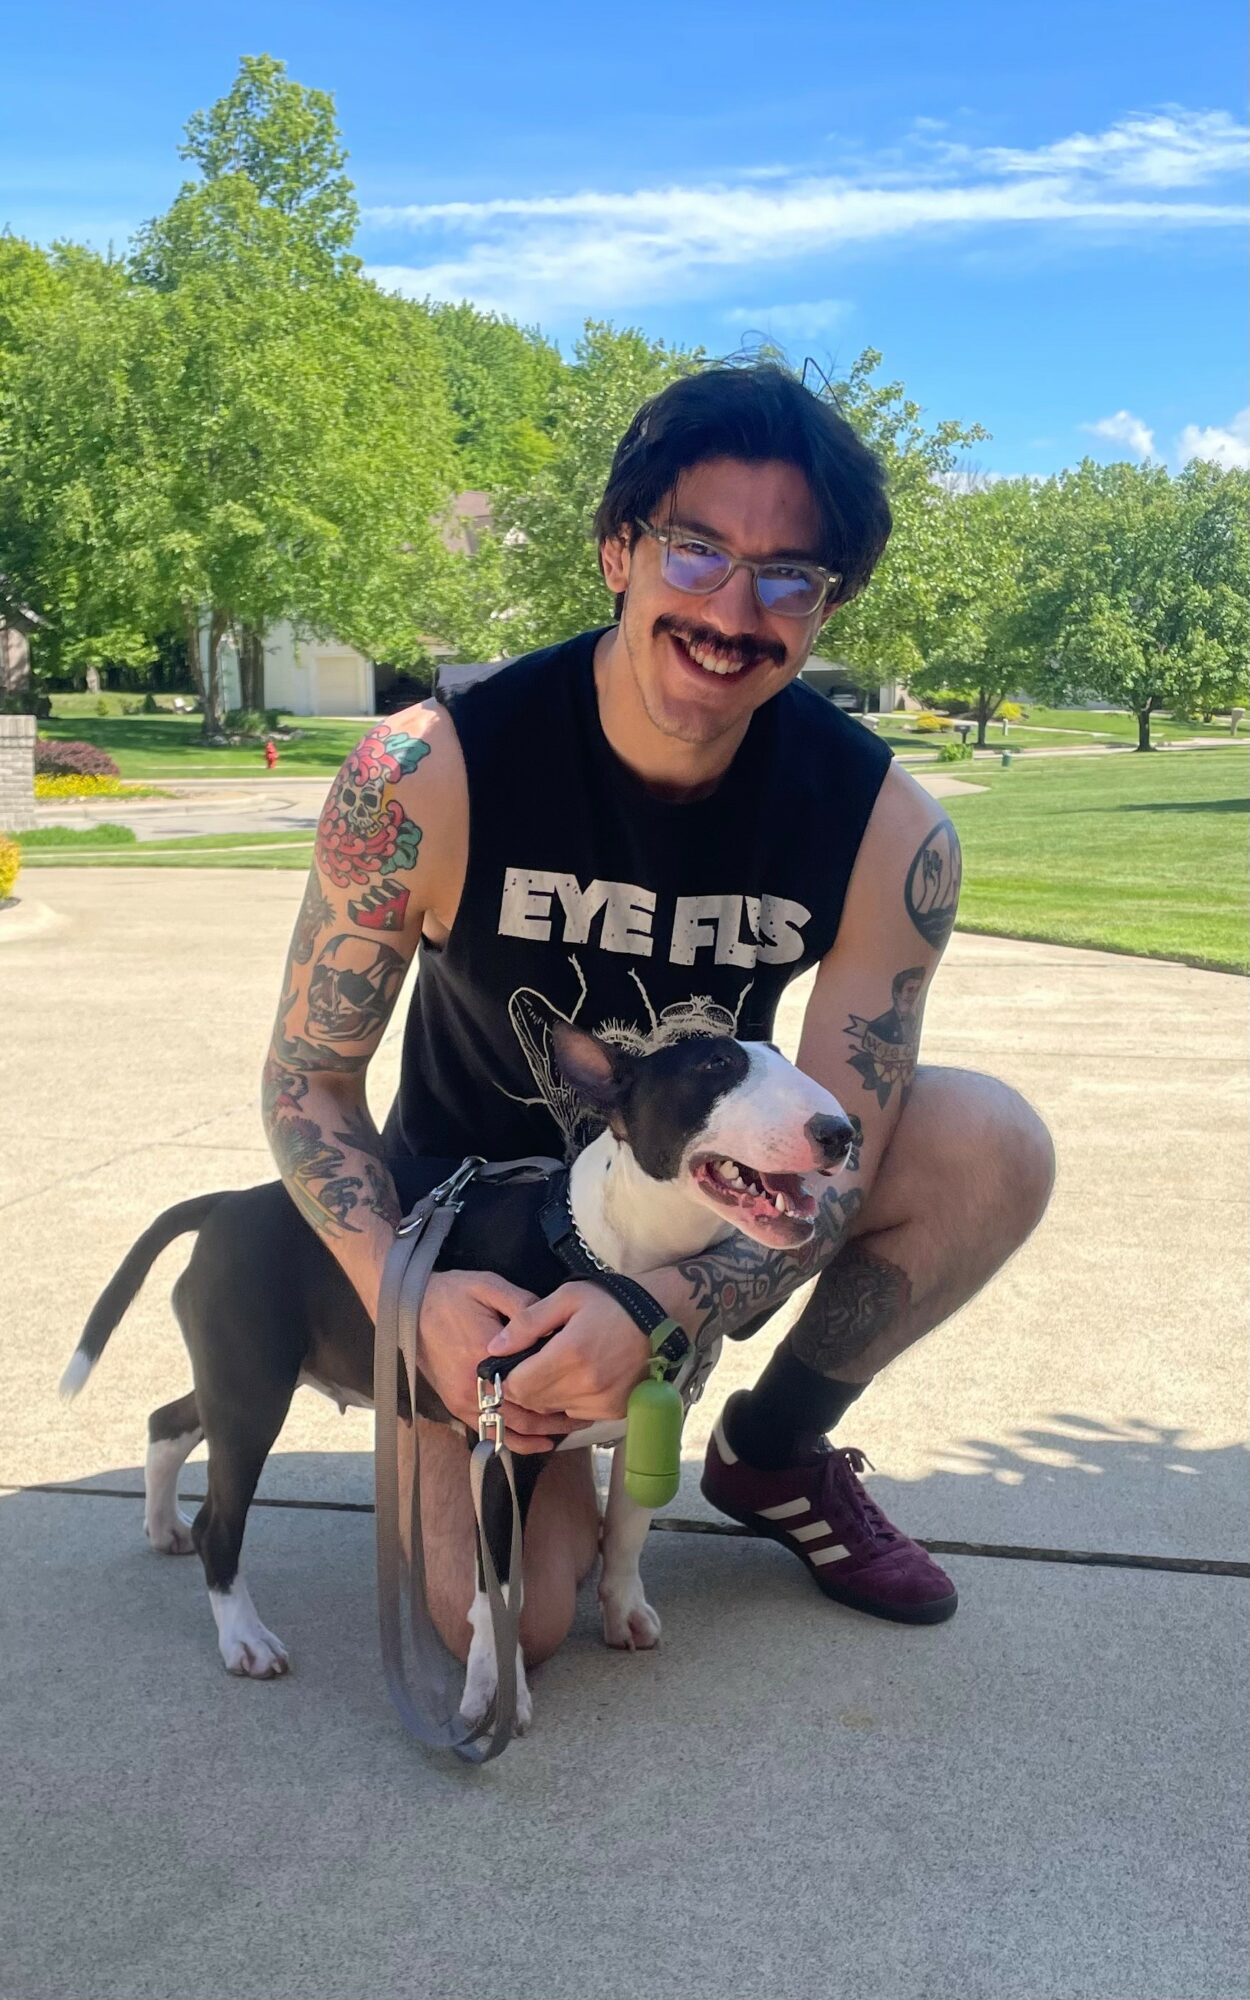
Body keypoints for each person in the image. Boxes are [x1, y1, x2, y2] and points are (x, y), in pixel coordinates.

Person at [261, 362, 1055, 1667]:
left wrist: (663, 1305)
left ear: (828, 605)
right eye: (697, 551)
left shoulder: (884, 830)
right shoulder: (426, 772)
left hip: (678, 1216)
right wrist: (404, 1299)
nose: (733, 611)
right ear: (617, 552)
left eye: (787, 575)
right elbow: (308, 1083)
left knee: (990, 1143)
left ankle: (772, 1450)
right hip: (467, 1237)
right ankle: (487, 1424)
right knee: (513, 1627)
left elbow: (844, 1148)